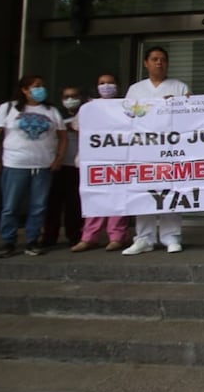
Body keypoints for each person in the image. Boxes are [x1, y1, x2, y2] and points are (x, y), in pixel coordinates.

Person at [0, 75, 67, 258]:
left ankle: (32, 240)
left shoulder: (51, 110)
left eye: (42, 86)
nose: (41, 89)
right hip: (15, 164)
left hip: (42, 165)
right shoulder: (8, 108)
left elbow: (62, 137)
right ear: (24, 89)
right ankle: (8, 241)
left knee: (38, 206)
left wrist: (58, 158)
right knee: (10, 206)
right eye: (36, 86)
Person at [122, 47, 190, 255]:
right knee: (144, 192)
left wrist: (176, 104)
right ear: (146, 63)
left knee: (170, 191)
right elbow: (127, 117)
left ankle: (172, 236)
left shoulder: (179, 87)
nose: (159, 63)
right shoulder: (135, 89)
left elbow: (191, 117)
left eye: (162, 59)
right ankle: (144, 238)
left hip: (171, 148)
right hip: (144, 148)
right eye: (154, 59)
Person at [72, 73, 130, 252]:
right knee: (95, 197)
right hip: (95, 160)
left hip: (120, 159)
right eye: (102, 83)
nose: (106, 86)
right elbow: (78, 128)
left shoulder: (125, 106)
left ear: (118, 86)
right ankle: (89, 237)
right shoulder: (89, 108)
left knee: (119, 198)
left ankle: (116, 236)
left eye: (110, 83)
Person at [42, 85, 84, 247]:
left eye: (74, 96)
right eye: (67, 97)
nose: (71, 99)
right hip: (58, 163)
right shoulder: (55, 114)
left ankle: (74, 235)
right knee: (53, 203)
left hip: (77, 164)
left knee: (75, 203)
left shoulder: (87, 113)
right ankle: (49, 236)